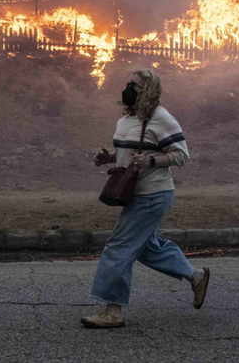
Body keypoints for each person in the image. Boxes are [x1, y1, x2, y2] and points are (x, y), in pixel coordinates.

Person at [81, 69, 210, 328]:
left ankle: (113, 312)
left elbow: (181, 155)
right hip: (134, 193)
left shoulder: (161, 119)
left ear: (148, 90)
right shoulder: (126, 119)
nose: (128, 88)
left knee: (119, 246)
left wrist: (152, 160)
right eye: (127, 83)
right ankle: (196, 276)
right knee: (146, 247)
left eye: (135, 85)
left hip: (153, 194)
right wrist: (108, 158)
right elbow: (127, 155)